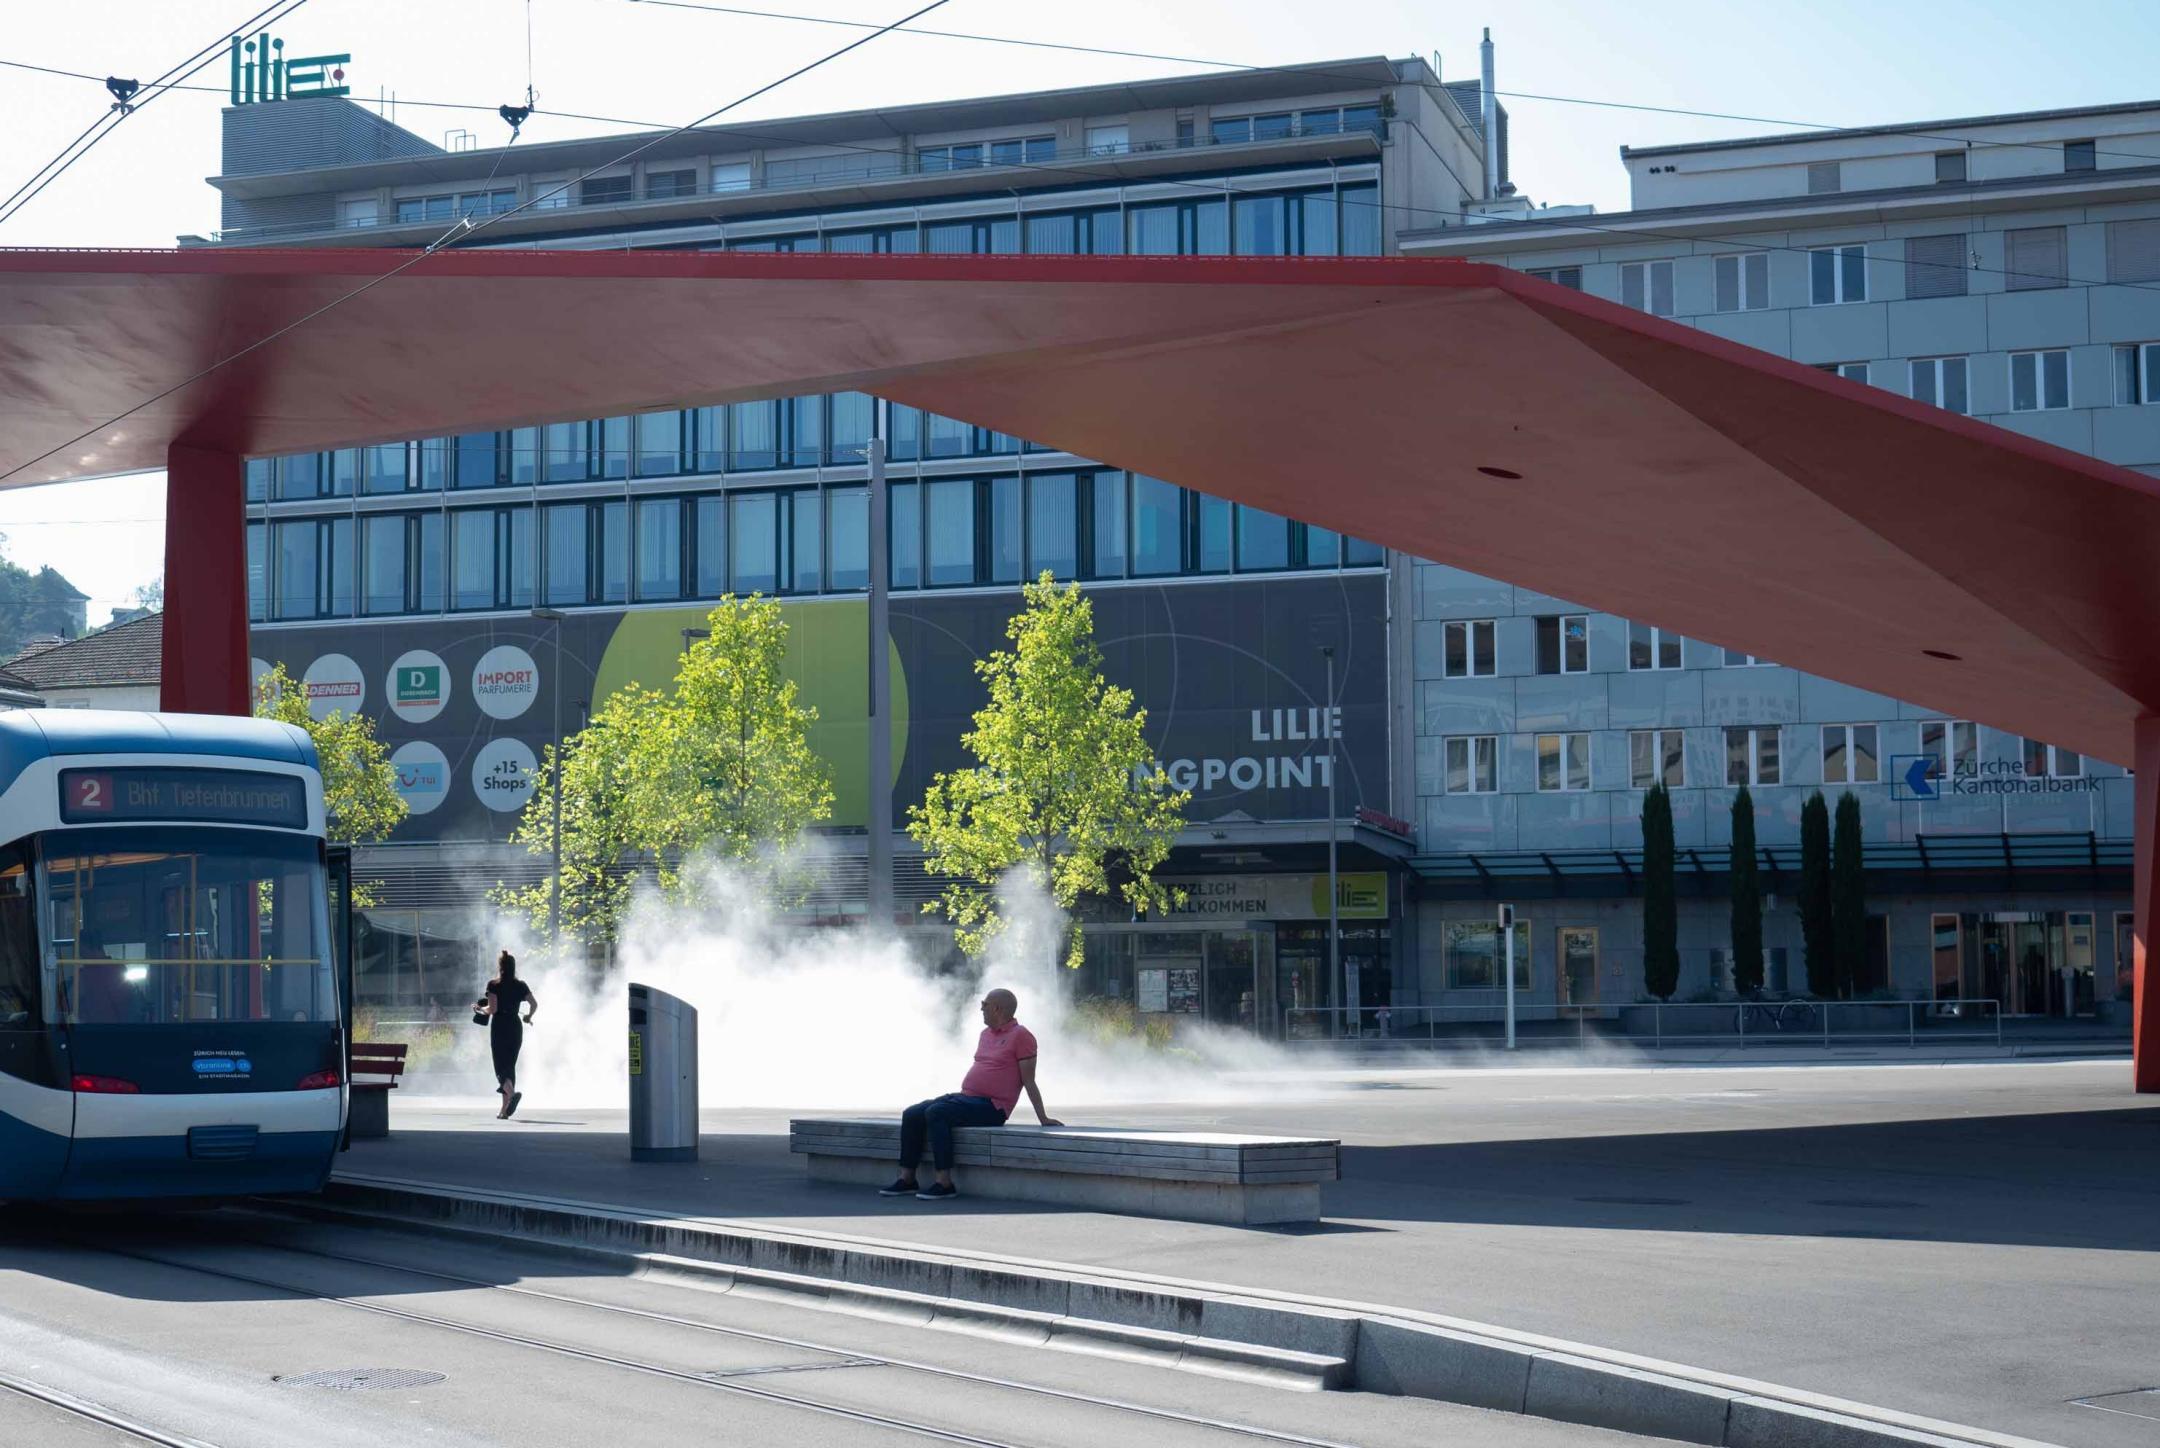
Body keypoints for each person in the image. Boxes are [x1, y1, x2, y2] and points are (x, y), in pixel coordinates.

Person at [883, 987, 1060, 1202]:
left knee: (937, 1113)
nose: (981, 1008)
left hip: (993, 1107)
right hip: (967, 1098)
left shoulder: (1021, 1036)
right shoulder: (985, 1035)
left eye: (984, 1004)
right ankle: (907, 1179)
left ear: (997, 1009)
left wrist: (1043, 1118)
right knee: (912, 1113)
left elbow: (1029, 1080)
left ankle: (944, 1183)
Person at [477, 950, 537, 1120]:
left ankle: (511, 1095)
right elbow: (534, 1003)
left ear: (500, 967)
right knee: (510, 1065)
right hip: (515, 1026)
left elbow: (492, 1009)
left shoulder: (494, 985)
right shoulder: (520, 985)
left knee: (500, 1066)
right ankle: (504, 1110)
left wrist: (479, 1009)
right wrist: (528, 1016)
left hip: (500, 1026)